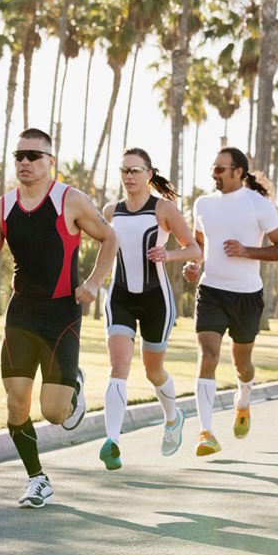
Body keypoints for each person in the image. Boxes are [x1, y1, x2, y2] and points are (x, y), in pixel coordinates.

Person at [0, 128, 117, 508]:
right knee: (16, 402)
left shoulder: (70, 200)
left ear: (50, 162)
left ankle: (74, 390)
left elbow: (109, 238)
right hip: (21, 314)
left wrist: (94, 282)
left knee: (53, 412)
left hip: (61, 315)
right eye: (19, 155)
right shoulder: (1, 207)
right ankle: (37, 478)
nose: (24, 162)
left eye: (33, 156)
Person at [183, 147, 278, 456]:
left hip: (246, 295)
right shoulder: (202, 204)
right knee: (207, 355)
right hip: (211, 291)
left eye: (220, 169)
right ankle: (205, 432)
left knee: (242, 365)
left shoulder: (258, 205)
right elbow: (200, 244)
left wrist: (248, 251)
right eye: (212, 168)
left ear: (238, 172)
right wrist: (195, 265)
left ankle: (243, 399)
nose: (214, 174)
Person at [98, 148, 201, 470]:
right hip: (120, 297)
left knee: (153, 371)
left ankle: (173, 417)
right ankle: (112, 442)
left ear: (149, 175)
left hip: (157, 299)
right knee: (119, 366)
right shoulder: (110, 211)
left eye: (136, 170)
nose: (129, 177)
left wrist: (168, 256)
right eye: (124, 170)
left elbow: (194, 248)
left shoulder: (164, 209)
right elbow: (102, 249)